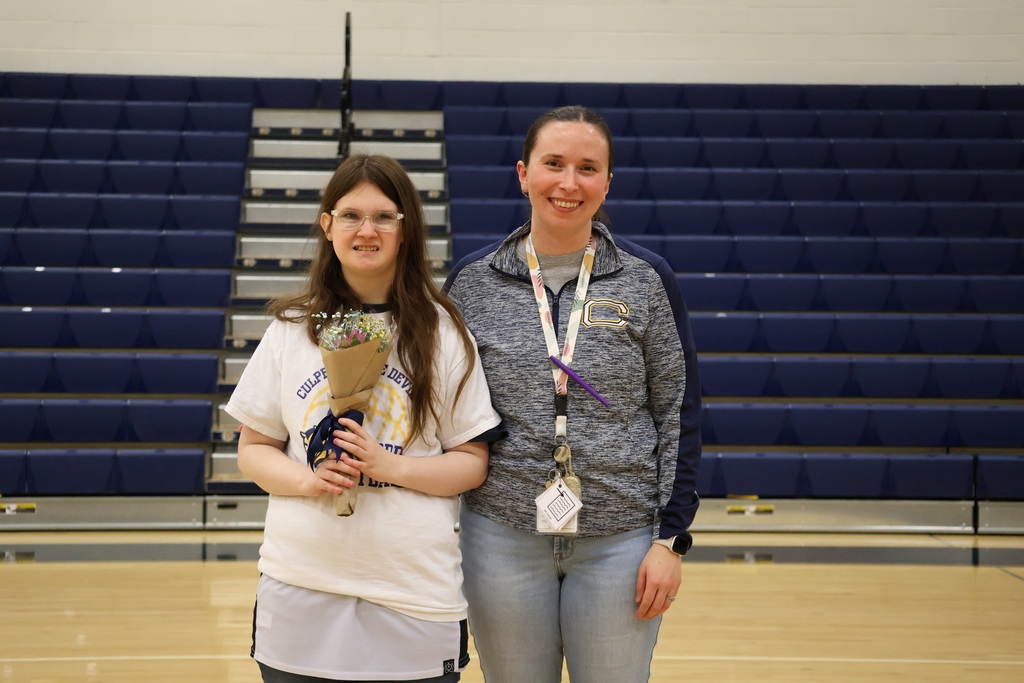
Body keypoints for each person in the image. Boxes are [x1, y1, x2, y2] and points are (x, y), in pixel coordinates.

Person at [443, 105, 702, 683]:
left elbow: (678, 411)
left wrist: (671, 540)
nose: (569, 183)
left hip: (621, 542)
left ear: (607, 182)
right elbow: (446, 415)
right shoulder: (472, 281)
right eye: (553, 164)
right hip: (500, 537)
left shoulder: (647, 279)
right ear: (522, 173)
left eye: (588, 168)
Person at [226, 153, 503, 683]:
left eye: (384, 217)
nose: (367, 230)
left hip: (413, 593)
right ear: (327, 226)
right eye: (351, 215)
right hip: (300, 585)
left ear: (406, 230)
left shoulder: (444, 331)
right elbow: (254, 450)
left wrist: (385, 465)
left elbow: (472, 462)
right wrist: (310, 482)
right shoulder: (292, 327)